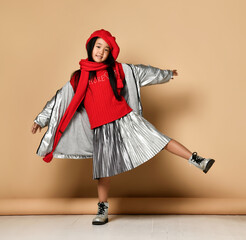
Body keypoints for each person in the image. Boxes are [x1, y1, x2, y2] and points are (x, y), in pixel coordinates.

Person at [31, 29, 215, 225]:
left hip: (125, 120)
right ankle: (102, 209)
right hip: (101, 129)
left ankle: (197, 160)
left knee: (159, 140)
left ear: (111, 53)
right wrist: (41, 119)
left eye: (106, 49)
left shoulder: (118, 70)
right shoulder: (78, 78)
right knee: (103, 171)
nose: (101, 52)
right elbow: (60, 99)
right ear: (90, 46)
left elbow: (142, 72)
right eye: (98, 46)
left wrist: (166, 74)